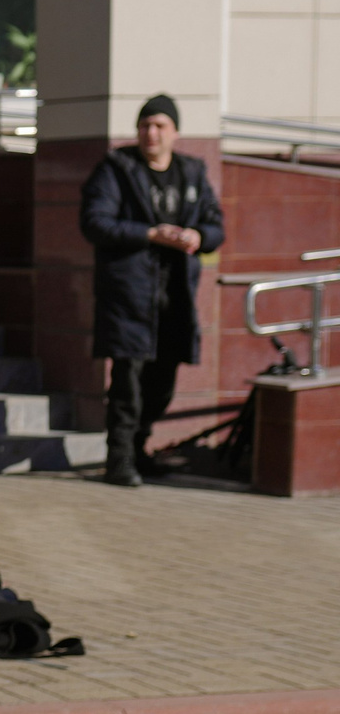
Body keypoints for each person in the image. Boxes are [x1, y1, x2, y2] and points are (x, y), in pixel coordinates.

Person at [80, 93, 225, 487]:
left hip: (174, 295)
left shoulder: (192, 173)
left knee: (162, 384)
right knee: (128, 383)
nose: (151, 133)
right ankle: (120, 460)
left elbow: (217, 227)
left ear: (175, 132)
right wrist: (150, 234)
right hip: (129, 295)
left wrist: (197, 235)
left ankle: (140, 449)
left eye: (160, 125)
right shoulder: (116, 169)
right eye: (145, 125)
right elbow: (94, 222)